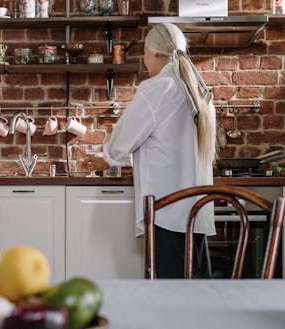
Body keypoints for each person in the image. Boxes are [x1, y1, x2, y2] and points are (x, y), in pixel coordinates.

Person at [86, 23, 216, 278]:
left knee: (170, 295)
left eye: (145, 52)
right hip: (196, 211)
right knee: (198, 292)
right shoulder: (198, 89)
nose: (144, 59)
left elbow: (127, 134)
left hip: (168, 211)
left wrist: (107, 158)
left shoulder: (158, 87)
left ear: (155, 53)